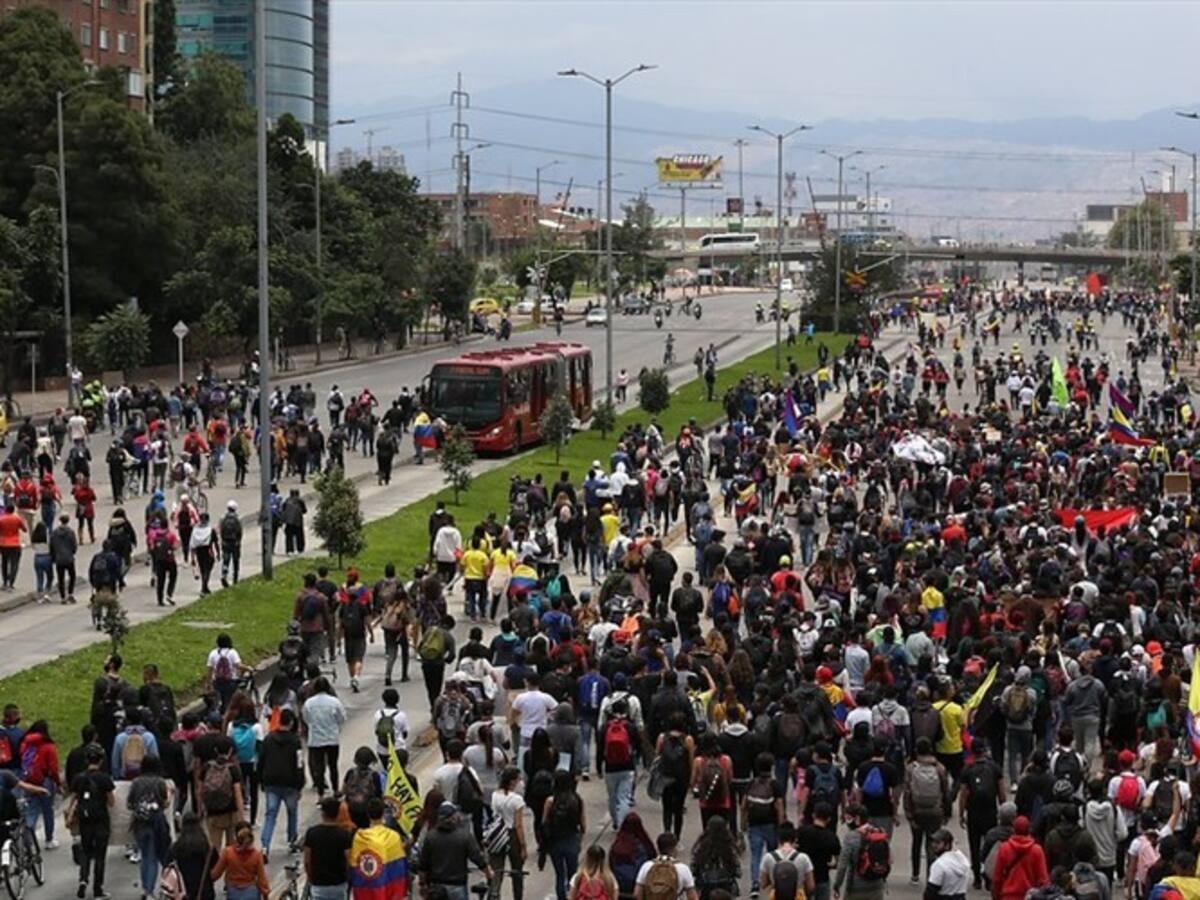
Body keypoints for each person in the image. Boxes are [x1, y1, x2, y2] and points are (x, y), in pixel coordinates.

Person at [417, 801, 493, 900]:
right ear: (453, 817)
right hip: (458, 886)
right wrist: (488, 874)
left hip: (436, 888)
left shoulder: (431, 837)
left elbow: (423, 865)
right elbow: (478, 858)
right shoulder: (465, 837)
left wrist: (423, 885)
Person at [68, 745, 115, 900]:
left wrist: (70, 817)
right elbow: (111, 802)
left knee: (86, 852)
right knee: (100, 855)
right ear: (101, 760)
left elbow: (74, 799)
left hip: (85, 819)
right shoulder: (104, 778)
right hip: (101, 819)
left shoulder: (79, 778)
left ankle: (83, 880)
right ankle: (98, 889)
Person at [258, 708, 304, 864]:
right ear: (291, 723)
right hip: (290, 782)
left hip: (271, 781)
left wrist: (261, 780)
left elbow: (261, 760)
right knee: (292, 812)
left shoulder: (269, 739)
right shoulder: (295, 741)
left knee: (270, 814)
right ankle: (292, 841)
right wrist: (300, 784)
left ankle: (265, 845)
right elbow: (299, 764)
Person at [960, 741, 1005, 889]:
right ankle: (988, 876)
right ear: (985, 750)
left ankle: (977, 878)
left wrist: (961, 813)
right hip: (990, 812)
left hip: (974, 813)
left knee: (974, 845)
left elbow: (964, 794)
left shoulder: (968, 769)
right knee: (990, 845)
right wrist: (1002, 808)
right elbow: (1001, 791)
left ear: (972, 752)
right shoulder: (994, 768)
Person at [905, 737, 952, 882]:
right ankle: (931, 874)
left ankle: (915, 874)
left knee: (916, 842)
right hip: (935, 810)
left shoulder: (911, 768)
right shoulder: (939, 768)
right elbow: (946, 791)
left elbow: (907, 793)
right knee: (932, 843)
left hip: (917, 810)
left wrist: (909, 814)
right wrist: (947, 811)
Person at [128, 753, 173, 898]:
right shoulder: (160, 782)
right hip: (156, 822)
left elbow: (129, 804)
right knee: (154, 857)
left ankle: (145, 888)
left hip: (139, 823)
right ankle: (149, 891)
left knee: (145, 856)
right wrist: (170, 794)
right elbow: (165, 804)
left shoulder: (136, 782)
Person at [350, 797, 408, 900]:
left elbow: (355, 866)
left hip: (368, 892)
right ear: (382, 813)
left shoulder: (359, 838)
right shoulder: (394, 836)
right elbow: (399, 869)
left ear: (367, 814)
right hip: (388, 891)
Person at [832, 804, 889, 900]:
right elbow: (887, 859)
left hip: (856, 888)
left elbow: (842, 866)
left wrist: (837, 885)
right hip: (877, 885)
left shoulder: (851, 837)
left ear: (857, 819)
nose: (847, 822)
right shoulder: (879, 833)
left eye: (848, 819)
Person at [543, 770, 586, 900]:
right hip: (572, 838)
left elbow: (544, 822)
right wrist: (580, 838)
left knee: (560, 874)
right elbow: (583, 823)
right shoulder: (577, 799)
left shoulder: (550, 801)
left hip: (555, 840)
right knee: (573, 874)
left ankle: (561, 897)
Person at [301, 677, 346, 799]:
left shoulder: (309, 703)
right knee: (333, 765)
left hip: (316, 739)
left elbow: (306, 718)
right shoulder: (335, 702)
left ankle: (320, 794)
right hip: (332, 738)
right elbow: (342, 718)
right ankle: (336, 789)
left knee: (319, 768)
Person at [303, 796, 353, 900]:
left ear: (323, 813)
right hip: (338, 884)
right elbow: (349, 861)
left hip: (318, 884)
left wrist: (310, 877)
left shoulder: (312, 833)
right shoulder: (344, 835)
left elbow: (307, 860)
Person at [489, 766, 527, 900]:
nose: (520, 783)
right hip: (512, 835)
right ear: (512, 782)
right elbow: (518, 825)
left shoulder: (495, 795)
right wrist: (523, 846)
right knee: (517, 870)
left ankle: (494, 894)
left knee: (497, 869)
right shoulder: (517, 800)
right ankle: (517, 896)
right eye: (518, 780)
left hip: (496, 833)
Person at [991, 816, 1049, 900]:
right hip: (1030, 897)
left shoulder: (1004, 848)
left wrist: (996, 895)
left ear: (1014, 830)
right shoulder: (1036, 850)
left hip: (1008, 896)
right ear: (1029, 830)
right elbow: (1043, 878)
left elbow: (997, 877)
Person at [210, 819, 269, 900]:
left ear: (235, 836)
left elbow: (215, 874)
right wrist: (266, 895)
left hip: (233, 892)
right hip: (251, 892)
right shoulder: (257, 855)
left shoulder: (228, 852)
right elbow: (262, 879)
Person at [337, 568, 374, 692]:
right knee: (358, 658)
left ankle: (352, 677)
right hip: (359, 634)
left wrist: (338, 639)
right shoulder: (361, 604)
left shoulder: (344, 607)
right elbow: (367, 621)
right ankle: (357, 677)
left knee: (350, 659)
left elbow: (340, 624)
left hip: (348, 635)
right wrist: (371, 633)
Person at [633, 832, 698, 900]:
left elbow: (637, 894)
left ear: (658, 848)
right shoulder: (683, 869)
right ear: (674, 848)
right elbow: (692, 897)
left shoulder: (646, 866)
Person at [760, 821, 815, 900]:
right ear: (795, 839)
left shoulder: (768, 857)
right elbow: (811, 886)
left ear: (778, 839)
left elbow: (763, 884)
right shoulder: (803, 858)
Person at [692, 815, 740, 900]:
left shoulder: (702, 846)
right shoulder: (728, 846)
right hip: (725, 885)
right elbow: (735, 867)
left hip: (706, 885)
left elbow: (695, 867)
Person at [926, 829, 971, 900]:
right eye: (933, 842)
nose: (934, 845)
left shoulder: (939, 865)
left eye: (938, 843)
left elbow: (931, 892)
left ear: (947, 845)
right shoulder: (964, 861)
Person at [219, 500, 243, 587]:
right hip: (235, 542)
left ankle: (224, 575)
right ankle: (235, 578)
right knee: (236, 561)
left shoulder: (223, 518)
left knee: (226, 560)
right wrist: (239, 541)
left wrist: (222, 540)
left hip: (226, 542)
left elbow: (220, 530)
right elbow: (240, 531)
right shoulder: (238, 518)